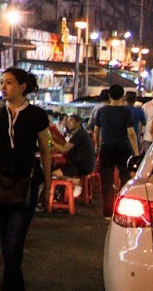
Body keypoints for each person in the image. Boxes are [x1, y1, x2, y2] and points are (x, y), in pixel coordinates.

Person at [0, 67, 52, 291]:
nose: (3, 87)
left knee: (15, 242)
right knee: (6, 244)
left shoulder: (37, 115)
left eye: (9, 83)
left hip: (25, 183)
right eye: (2, 83)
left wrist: (47, 183)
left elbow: (45, 151)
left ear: (23, 87)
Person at [92, 83, 139, 218]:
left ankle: (107, 211)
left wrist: (97, 145)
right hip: (122, 148)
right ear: (122, 96)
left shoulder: (102, 111)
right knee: (124, 178)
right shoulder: (126, 112)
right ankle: (122, 210)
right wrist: (136, 153)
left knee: (106, 180)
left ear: (109, 96)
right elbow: (131, 133)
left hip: (106, 147)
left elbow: (96, 130)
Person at [58, 113, 97, 189]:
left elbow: (63, 149)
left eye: (71, 121)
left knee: (54, 174)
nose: (68, 123)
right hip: (86, 165)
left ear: (78, 123)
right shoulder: (81, 133)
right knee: (59, 168)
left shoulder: (79, 134)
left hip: (82, 167)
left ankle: (76, 182)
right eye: (68, 121)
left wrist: (50, 141)